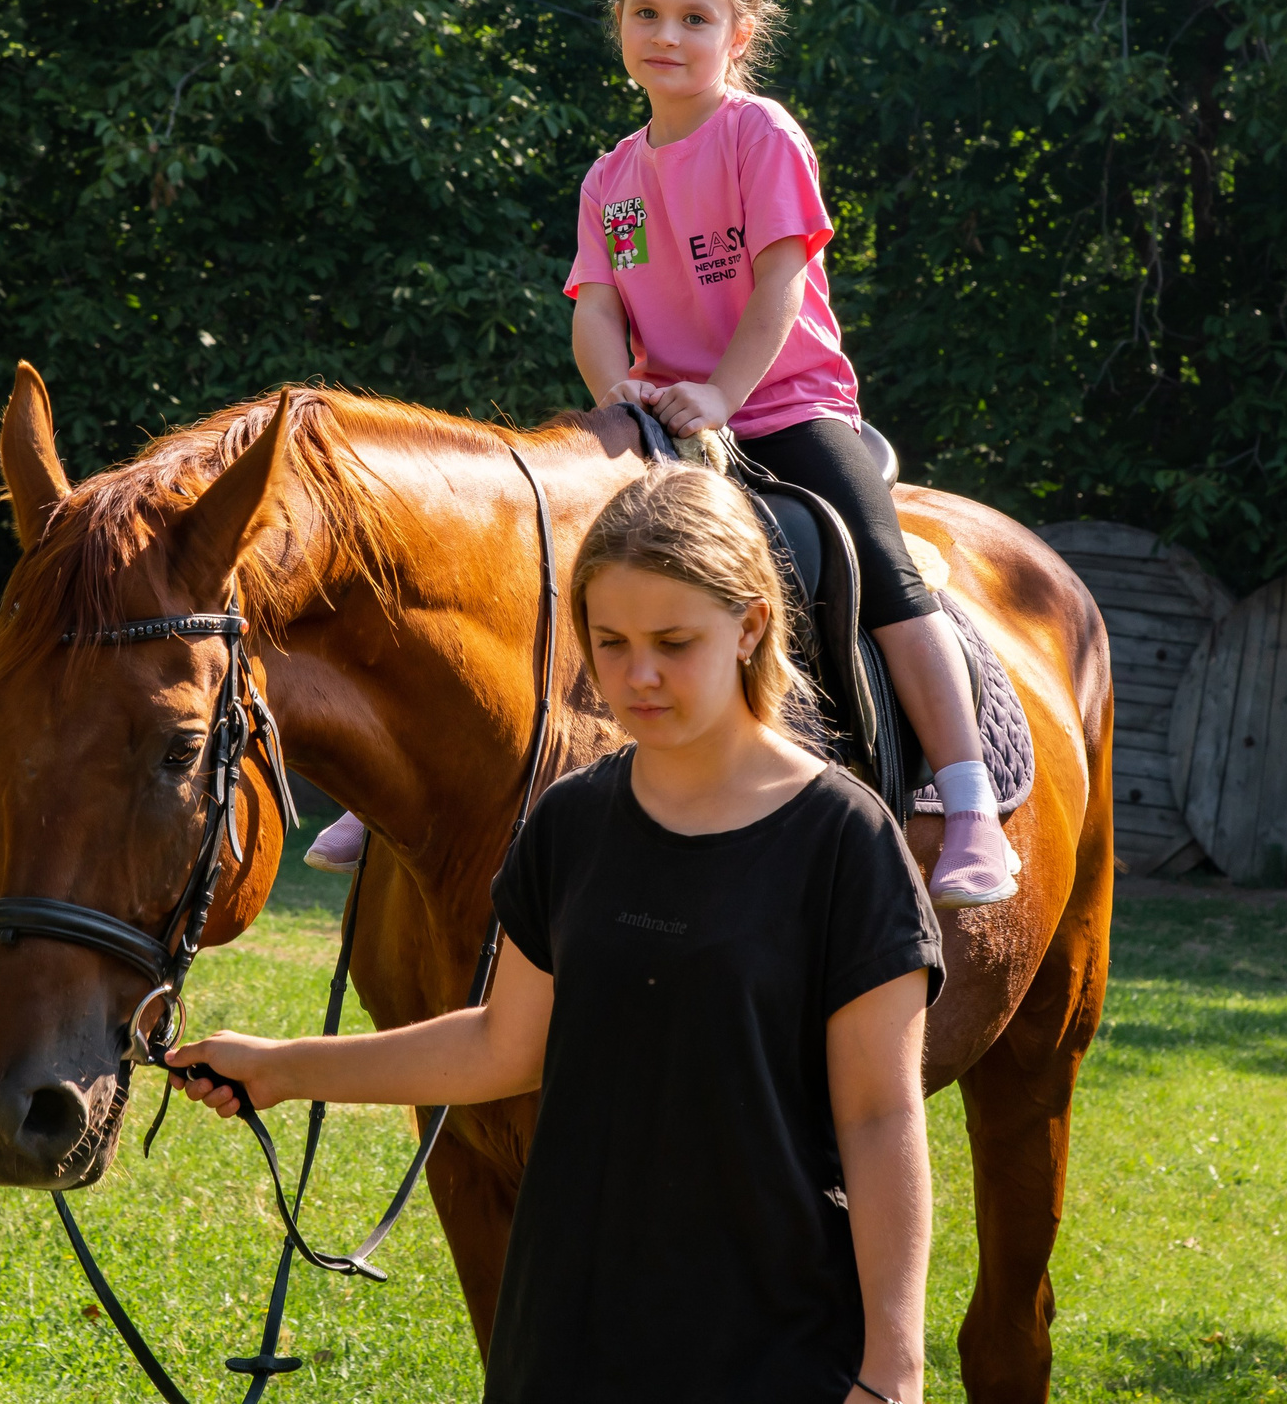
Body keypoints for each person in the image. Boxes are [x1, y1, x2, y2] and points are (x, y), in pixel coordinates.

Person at [172, 465, 942, 1404]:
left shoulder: (845, 841)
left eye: (674, 642)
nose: (638, 675)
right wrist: (281, 1067)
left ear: (749, 626)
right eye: (610, 642)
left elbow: (880, 1116)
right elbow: (502, 1043)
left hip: (776, 1346)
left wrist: (893, 1366)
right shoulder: (571, 822)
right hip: (565, 1337)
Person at [312, 0, 1016, 909]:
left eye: (695, 17)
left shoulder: (758, 134)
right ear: (619, 24)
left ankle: (968, 797)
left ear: (738, 33)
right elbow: (596, 308)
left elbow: (779, 284)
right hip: (657, 423)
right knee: (534, 561)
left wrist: (722, 394)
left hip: (783, 405)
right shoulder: (612, 177)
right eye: (645, 13)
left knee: (880, 566)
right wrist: (617, 394)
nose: (667, 35)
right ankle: (397, 786)